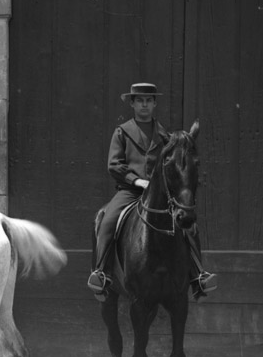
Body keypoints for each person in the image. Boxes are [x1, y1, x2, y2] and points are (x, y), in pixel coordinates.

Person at [87, 82, 216, 302]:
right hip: (129, 191)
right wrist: (136, 181)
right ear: (132, 104)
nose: (144, 105)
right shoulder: (122, 132)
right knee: (107, 221)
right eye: (140, 101)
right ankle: (102, 273)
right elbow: (114, 165)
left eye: (148, 101)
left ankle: (198, 275)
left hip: (160, 196)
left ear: (154, 104)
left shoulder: (165, 136)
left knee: (188, 226)